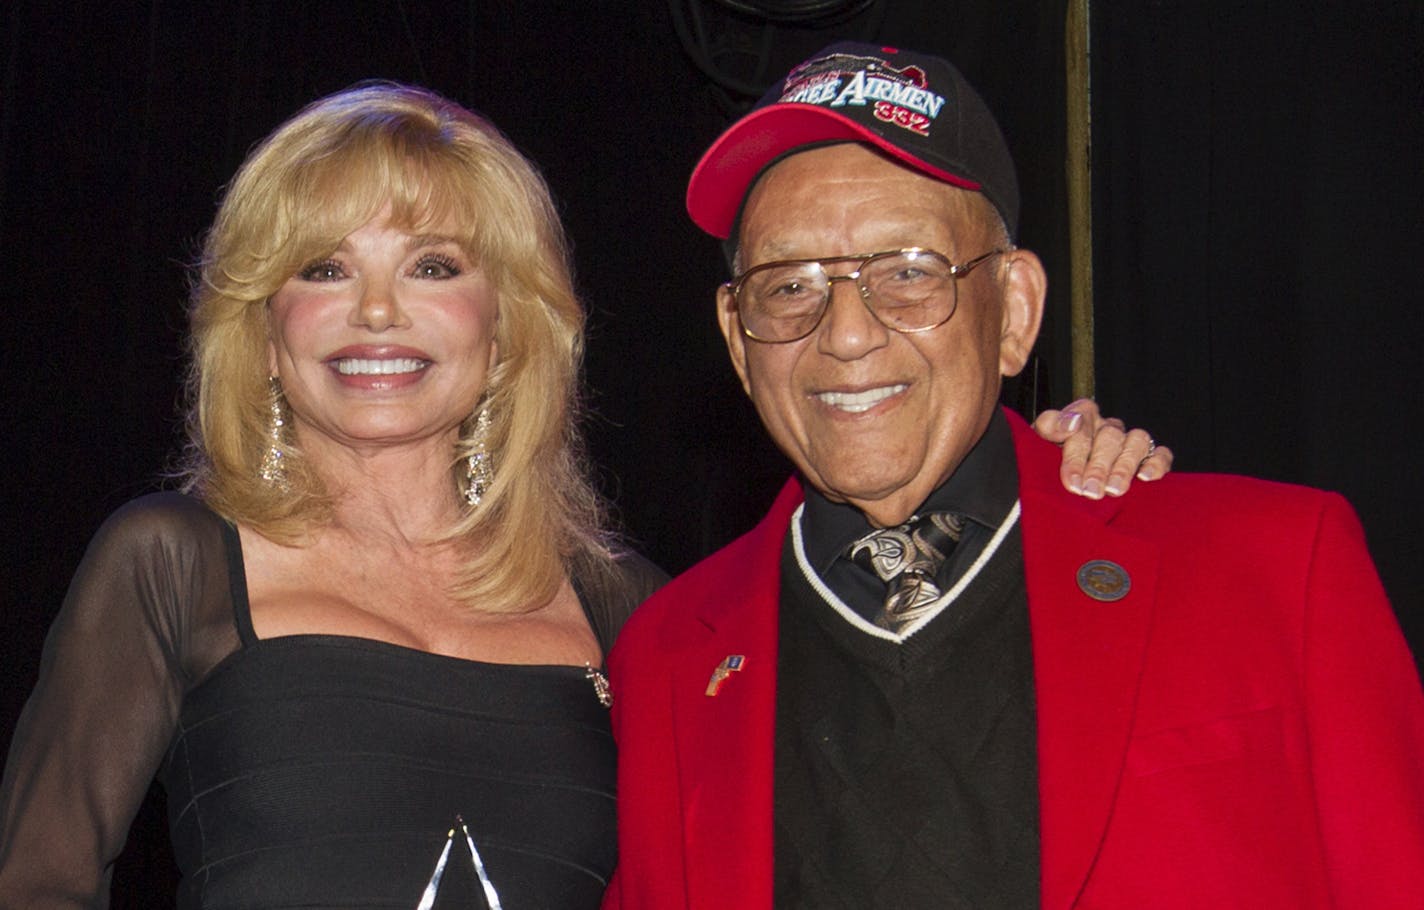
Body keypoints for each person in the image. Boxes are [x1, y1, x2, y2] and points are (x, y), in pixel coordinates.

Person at [0, 82, 1159, 908]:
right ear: (262, 324)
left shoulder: (640, 612)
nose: (377, 314)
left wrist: (1058, 478)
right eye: (323, 268)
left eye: (436, 267)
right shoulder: (169, 562)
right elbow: (38, 882)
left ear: (507, 326)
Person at [604, 42, 1424, 909]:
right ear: (737, 337)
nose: (845, 332)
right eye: (789, 286)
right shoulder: (662, 662)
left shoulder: (1274, 568)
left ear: (1016, 311)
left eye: (909, 273)